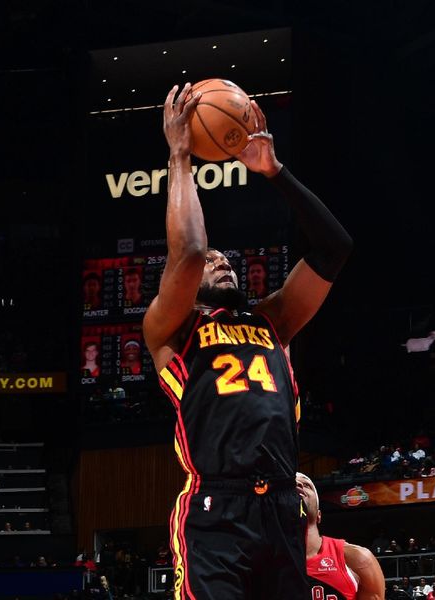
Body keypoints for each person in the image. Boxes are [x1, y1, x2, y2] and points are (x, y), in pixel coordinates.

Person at [143, 83, 352, 600]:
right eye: (216, 261)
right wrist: (180, 154)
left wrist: (274, 172)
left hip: (282, 507)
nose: (223, 260)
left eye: (227, 259)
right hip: (217, 513)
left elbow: (334, 248)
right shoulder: (171, 329)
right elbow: (190, 249)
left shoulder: (271, 320)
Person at [297, 472, 384, 600]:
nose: (298, 484)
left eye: (306, 485)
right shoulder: (262, 564)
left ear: (319, 515)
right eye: (290, 486)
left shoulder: (357, 559)